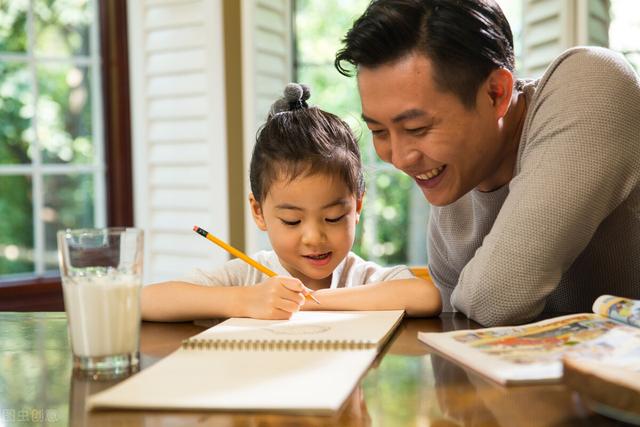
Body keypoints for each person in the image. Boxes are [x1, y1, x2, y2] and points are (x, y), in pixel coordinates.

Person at [334, 0, 640, 326]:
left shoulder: (592, 83)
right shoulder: (455, 175)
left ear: (496, 93)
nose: (399, 158)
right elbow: (462, 325)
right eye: (378, 131)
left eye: (417, 129)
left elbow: (493, 301)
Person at [142, 83, 441, 322]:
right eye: (292, 221)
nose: (314, 237)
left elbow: (425, 297)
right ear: (258, 211)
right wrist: (244, 300)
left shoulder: (361, 277)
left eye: (334, 217)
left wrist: (310, 303)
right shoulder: (248, 277)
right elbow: (145, 301)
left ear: (357, 207)